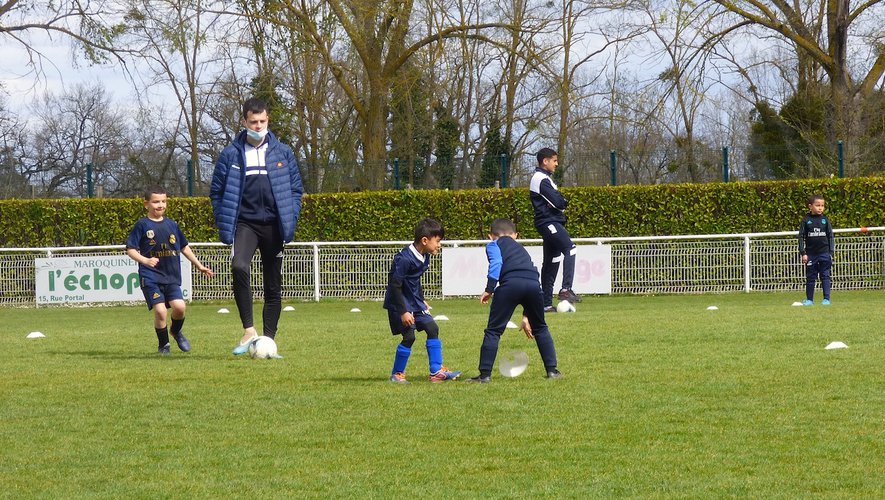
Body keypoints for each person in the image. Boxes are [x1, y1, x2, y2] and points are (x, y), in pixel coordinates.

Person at [210, 97, 304, 355]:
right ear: (244, 121)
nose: (258, 126)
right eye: (253, 122)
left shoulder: (283, 152)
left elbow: (296, 190)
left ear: (268, 120)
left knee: (273, 285)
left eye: (262, 121)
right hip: (245, 225)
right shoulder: (230, 154)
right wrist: (224, 218)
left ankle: (268, 341)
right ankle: (249, 330)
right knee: (239, 266)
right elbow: (216, 192)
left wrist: (291, 217)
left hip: (274, 226)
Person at [467, 218, 561, 383]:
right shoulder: (521, 249)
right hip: (533, 285)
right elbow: (531, 274)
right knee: (540, 328)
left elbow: (496, 263)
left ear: (491, 236)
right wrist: (527, 315)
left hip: (509, 285)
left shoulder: (494, 245)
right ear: (515, 235)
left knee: (494, 331)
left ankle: (484, 375)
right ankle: (552, 371)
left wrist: (489, 289)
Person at [126, 187, 214, 354]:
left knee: (180, 307)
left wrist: (199, 265)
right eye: (156, 202)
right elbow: (130, 249)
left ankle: (175, 331)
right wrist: (146, 260)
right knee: (160, 311)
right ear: (146, 204)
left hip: (171, 276)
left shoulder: (172, 225)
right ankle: (164, 345)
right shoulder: (142, 225)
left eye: (163, 201)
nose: (160, 205)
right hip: (150, 276)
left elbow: (184, 247)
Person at [383, 218, 461, 383]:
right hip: (399, 303)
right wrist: (403, 312)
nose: (439, 245)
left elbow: (414, 280)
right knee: (409, 337)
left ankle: (436, 371)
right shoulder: (404, 259)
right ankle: (397, 374)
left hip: (414, 301)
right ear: (425, 240)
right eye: (437, 241)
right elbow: (395, 285)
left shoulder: (425, 256)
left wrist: (421, 299)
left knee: (432, 327)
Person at [530, 147, 580, 313]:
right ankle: (566, 289)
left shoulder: (545, 179)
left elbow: (558, 201)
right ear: (545, 161)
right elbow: (559, 202)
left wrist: (559, 201)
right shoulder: (540, 179)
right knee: (570, 249)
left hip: (549, 221)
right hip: (548, 222)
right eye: (554, 160)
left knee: (552, 261)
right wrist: (561, 201)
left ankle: (545, 304)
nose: (556, 164)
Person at [799, 194, 835, 305]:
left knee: (825, 275)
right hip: (811, 254)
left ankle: (826, 299)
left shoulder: (825, 220)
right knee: (810, 277)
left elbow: (830, 236)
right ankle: (810, 300)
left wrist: (830, 252)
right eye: (817, 205)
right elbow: (801, 237)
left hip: (824, 253)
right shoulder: (806, 221)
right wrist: (803, 253)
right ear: (810, 206)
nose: (820, 208)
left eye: (822, 205)